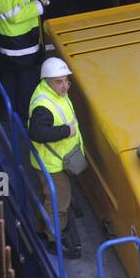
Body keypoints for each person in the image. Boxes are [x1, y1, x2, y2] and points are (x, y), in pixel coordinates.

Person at [28, 57, 84, 259]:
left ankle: (41, 228)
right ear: (47, 81)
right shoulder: (43, 105)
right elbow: (37, 133)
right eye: (59, 82)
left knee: (52, 199)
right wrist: (66, 131)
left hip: (59, 160)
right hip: (52, 164)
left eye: (66, 80)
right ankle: (55, 241)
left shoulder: (52, 93)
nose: (64, 86)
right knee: (59, 203)